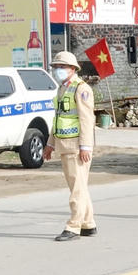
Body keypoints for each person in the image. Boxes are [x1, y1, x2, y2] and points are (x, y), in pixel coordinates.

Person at [42, 50, 96, 242]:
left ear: (73, 69)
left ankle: (73, 227)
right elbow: (58, 118)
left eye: (61, 67)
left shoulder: (81, 89)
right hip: (65, 144)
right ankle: (88, 224)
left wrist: (86, 147)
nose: (57, 70)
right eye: (55, 67)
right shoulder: (62, 89)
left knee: (77, 190)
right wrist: (50, 144)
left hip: (76, 147)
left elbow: (86, 119)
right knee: (78, 186)